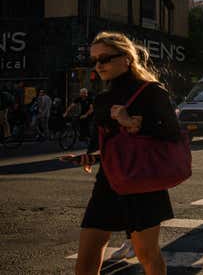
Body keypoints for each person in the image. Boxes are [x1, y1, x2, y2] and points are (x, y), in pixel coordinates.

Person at [61, 31, 181, 274]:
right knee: (86, 259)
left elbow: (172, 134)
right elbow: (104, 142)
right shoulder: (104, 97)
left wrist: (133, 123)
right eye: (95, 60)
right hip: (108, 180)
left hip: (143, 182)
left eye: (104, 58)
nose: (99, 65)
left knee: (147, 255)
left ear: (126, 58)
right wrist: (90, 156)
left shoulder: (152, 91)